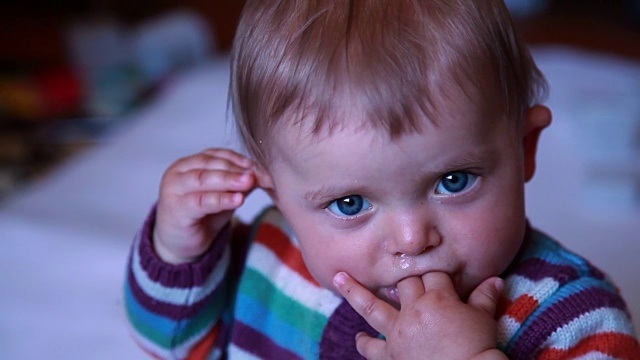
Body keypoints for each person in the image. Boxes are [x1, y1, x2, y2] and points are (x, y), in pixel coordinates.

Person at [124, 1, 640, 359]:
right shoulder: (272, 253)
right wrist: (178, 254)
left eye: (454, 180)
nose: (412, 240)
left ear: (524, 149)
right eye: (349, 204)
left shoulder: (571, 317)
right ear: (274, 189)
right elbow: (174, 343)